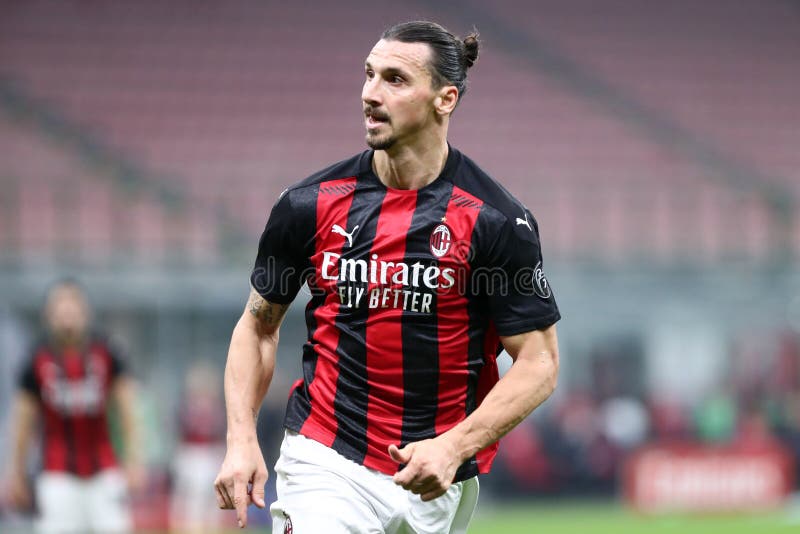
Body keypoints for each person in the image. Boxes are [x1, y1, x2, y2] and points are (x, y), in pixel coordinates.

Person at [215, 20, 561, 533]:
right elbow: (258, 326)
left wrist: (453, 446)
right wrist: (241, 437)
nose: (370, 94)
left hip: (435, 478)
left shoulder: (495, 222)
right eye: (369, 74)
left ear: (445, 99)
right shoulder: (307, 205)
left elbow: (538, 363)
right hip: (325, 457)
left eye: (395, 80)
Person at [4, 279, 143, 534]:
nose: (67, 312)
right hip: (56, 475)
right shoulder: (35, 359)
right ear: (48, 314)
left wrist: (134, 460)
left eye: (73, 304)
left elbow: (128, 409)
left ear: (85, 310)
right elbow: (22, 421)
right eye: (60, 305)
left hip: (104, 472)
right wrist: (17, 472)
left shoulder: (108, 351)